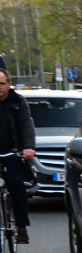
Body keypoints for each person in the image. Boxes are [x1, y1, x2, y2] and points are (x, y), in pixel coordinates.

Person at [0, 68, 36, 244]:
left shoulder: (18, 101)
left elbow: (26, 124)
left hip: (12, 151)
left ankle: (21, 226)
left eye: (2, 83)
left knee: (16, 183)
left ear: (8, 84)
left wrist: (28, 147)